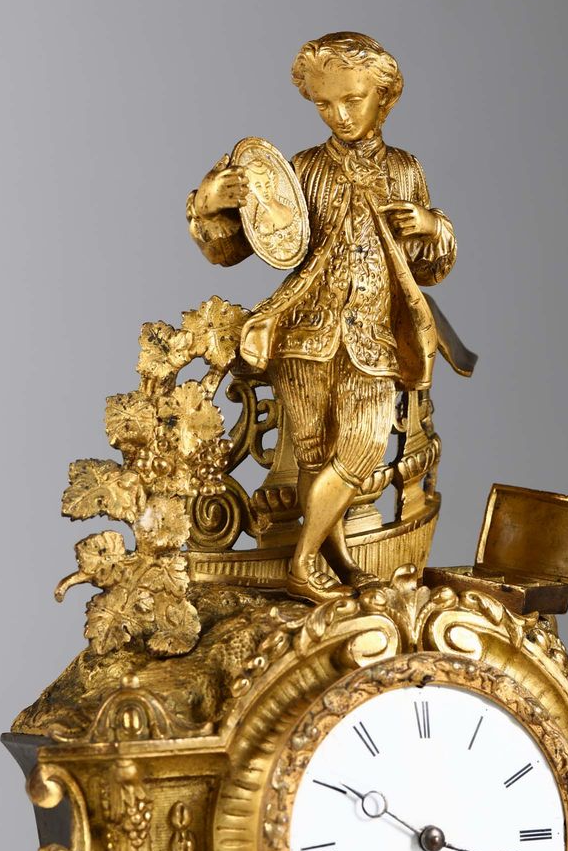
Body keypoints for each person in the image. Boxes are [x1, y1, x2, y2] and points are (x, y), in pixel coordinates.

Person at [187, 32, 456, 602]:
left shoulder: (405, 170)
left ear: (385, 97)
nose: (340, 115)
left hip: (375, 340)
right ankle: (333, 560)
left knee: (360, 452)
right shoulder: (302, 170)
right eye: (324, 104)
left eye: (352, 100)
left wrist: (433, 227)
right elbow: (242, 248)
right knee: (313, 454)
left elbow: (429, 270)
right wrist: (209, 204)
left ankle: (302, 561)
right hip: (303, 335)